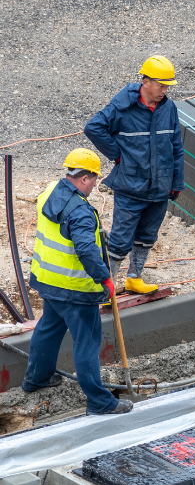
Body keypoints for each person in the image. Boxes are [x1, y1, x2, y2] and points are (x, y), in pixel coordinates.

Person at [21, 149, 132, 416]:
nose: (95, 185)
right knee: (87, 343)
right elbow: (85, 250)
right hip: (76, 289)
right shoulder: (81, 211)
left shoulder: (50, 191)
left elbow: (60, 232)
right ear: (84, 178)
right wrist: (105, 279)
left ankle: (36, 379)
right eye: (94, 179)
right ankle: (99, 401)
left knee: (49, 329)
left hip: (49, 281)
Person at [84, 56, 184, 295]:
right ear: (146, 82)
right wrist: (118, 155)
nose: (165, 90)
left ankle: (134, 278)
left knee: (147, 236)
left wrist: (176, 182)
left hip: (160, 187)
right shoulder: (123, 107)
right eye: (161, 85)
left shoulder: (168, 108)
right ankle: (106, 289)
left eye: (167, 86)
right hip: (131, 186)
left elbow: (176, 147)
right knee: (120, 240)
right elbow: (93, 127)